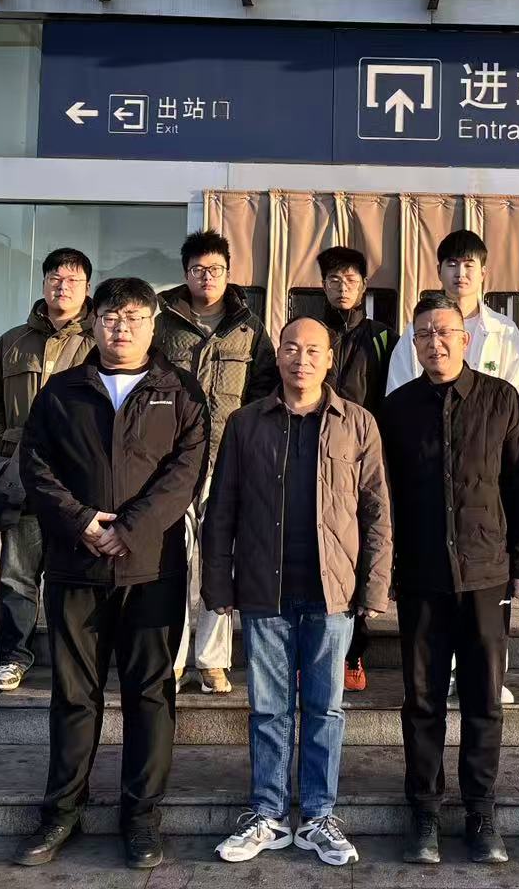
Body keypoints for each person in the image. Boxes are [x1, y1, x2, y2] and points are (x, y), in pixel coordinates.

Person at [11, 278, 207, 870]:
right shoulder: (63, 390)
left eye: (133, 318)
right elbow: (35, 464)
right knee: (74, 695)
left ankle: (141, 818)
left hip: (151, 569)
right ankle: (61, 812)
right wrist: (81, 522)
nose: (121, 328)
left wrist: (133, 528)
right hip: (76, 565)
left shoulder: (180, 390)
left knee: (150, 694)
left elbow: (186, 471)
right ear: (93, 323)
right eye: (110, 317)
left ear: (153, 324)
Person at [203, 317, 392, 868]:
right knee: (268, 708)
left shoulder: (358, 423)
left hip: (333, 591)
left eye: (313, 350)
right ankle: (267, 813)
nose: (301, 359)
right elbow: (222, 508)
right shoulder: (245, 423)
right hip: (265, 589)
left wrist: (374, 586)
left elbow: (377, 512)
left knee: (325, 709)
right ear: (278, 355)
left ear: (330, 359)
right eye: (291, 348)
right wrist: (217, 581)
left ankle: (317, 815)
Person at [379, 296, 519, 867]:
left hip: (485, 572)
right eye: (424, 334)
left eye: (445, 332)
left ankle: (480, 810)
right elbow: (384, 498)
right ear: (414, 344)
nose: (435, 343)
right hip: (421, 575)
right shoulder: (396, 409)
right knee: (421, 700)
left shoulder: (500, 399)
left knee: (483, 698)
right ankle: (423, 810)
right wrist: (384, 567)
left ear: (465, 340)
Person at [153, 230, 279, 696]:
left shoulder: (249, 326)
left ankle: (212, 661)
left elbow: (264, 389)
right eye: (198, 270)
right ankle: (171, 659)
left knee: (218, 559)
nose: (207, 278)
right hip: (170, 459)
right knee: (172, 561)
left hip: (228, 457)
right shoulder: (162, 322)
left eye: (216, 270)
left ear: (228, 273)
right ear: (185, 273)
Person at [0, 247, 96, 692]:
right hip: (21, 476)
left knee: (74, 575)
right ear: (43, 284)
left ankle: (72, 659)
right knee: (17, 573)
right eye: (55, 279)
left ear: (87, 288)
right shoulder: (13, 341)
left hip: (77, 481)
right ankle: (12, 657)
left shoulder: (99, 340)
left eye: (73, 280)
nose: (63, 287)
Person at [317, 244, 396, 693]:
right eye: (333, 280)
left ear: (364, 285)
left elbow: (392, 393)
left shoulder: (383, 337)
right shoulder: (312, 332)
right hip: (315, 451)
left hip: (365, 454)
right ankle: (316, 654)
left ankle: (353, 653)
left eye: (350, 279)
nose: (342, 287)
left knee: (360, 547)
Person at [386, 229, 519, 417]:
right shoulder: (416, 330)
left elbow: (517, 393)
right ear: (439, 271)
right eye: (452, 264)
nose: (460, 273)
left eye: (469, 265)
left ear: (483, 273)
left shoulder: (504, 330)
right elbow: (398, 391)